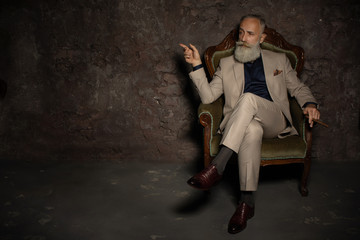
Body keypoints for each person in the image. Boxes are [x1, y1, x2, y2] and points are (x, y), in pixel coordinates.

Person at [179, 14, 320, 234]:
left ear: (262, 38)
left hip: (274, 120)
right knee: (251, 129)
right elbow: (208, 97)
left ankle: (217, 166)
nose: (243, 38)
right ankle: (247, 204)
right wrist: (197, 65)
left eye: (250, 34)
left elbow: (298, 89)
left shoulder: (279, 60)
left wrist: (310, 103)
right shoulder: (226, 64)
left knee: (248, 98)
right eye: (241, 32)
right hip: (243, 123)